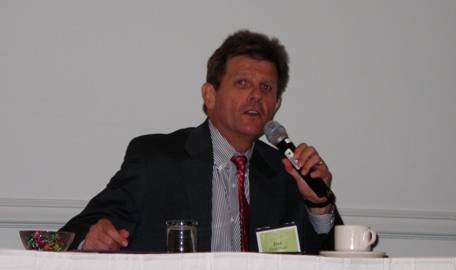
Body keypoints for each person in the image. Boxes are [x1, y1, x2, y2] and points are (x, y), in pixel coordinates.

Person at [60, 30, 343, 253]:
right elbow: (75, 232)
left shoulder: (286, 173)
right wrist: (92, 239)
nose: (256, 95)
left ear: (276, 105)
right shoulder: (156, 160)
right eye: (243, 83)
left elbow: (330, 258)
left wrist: (318, 205)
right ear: (210, 96)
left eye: (266, 88)